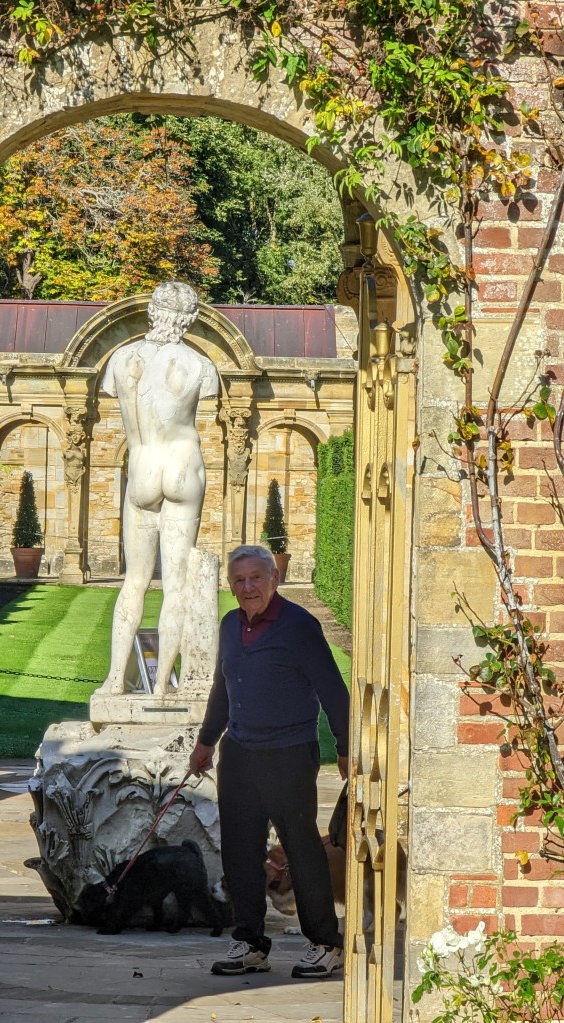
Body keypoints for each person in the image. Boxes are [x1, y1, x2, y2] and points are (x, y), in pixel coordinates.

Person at [188, 544, 350, 980]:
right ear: (230, 586)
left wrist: (346, 747)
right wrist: (206, 742)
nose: (248, 587)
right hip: (239, 754)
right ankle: (250, 943)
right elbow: (222, 689)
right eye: (239, 580)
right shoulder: (230, 625)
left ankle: (325, 943)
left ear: (274, 578)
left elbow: (334, 690)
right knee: (240, 851)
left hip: (289, 753)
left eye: (256, 577)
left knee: (302, 849)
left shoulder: (299, 626)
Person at [98, 282, 219, 696]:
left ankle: (115, 680)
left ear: (152, 311)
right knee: (176, 583)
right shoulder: (200, 364)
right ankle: (165, 686)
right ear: (191, 318)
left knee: (134, 581)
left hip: (142, 467)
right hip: (183, 465)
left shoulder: (120, 360)